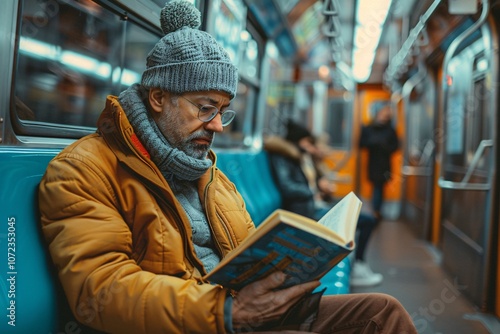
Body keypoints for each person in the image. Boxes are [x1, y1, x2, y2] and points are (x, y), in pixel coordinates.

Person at [38, 1, 416, 333]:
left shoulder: (206, 172)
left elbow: (245, 250)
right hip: (203, 320)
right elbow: (99, 291)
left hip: (236, 311)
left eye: (223, 111)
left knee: (381, 312)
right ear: (158, 98)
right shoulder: (82, 171)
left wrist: (294, 268)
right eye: (205, 109)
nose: (218, 125)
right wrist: (228, 311)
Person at [265, 120, 383, 288]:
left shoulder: (299, 156)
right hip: (303, 212)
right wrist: (315, 192)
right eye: (306, 141)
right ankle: (358, 266)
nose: (309, 145)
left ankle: (359, 264)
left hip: (311, 206)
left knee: (362, 218)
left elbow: (310, 179)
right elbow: (288, 188)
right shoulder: (284, 157)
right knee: (366, 221)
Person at [359, 103, 399, 221]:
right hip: (373, 162)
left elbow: (395, 146)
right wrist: (375, 143)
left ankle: (376, 211)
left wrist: (383, 146)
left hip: (385, 163)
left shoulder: (390, 130)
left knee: (380, 187)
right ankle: (375, 211)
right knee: (376, 187)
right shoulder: (368, 128)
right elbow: (361, 144)